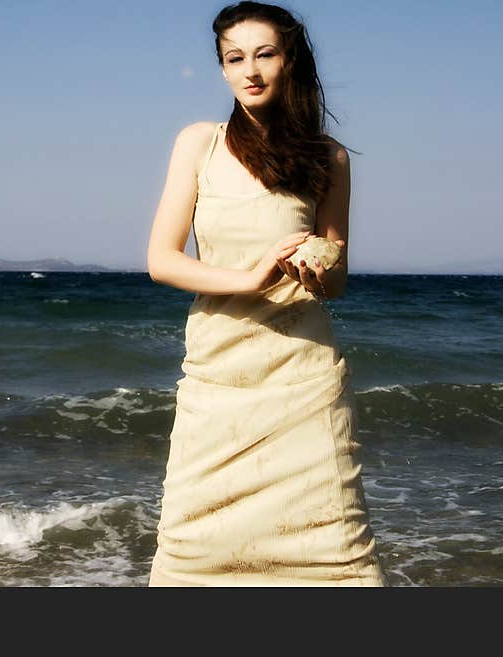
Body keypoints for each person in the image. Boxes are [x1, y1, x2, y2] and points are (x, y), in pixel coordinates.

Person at [146, 1, 388, 586]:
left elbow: (338, 275)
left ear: (289, 61)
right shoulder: (199, 143)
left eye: (265, 54)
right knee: (195, 551)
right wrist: (247, 279)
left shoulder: (327, 158)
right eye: (235, 58)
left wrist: (317, 267)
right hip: (219, 376)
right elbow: (161, 260)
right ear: (224, 70)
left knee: (336, 552)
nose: (250, 70)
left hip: (304, 379)